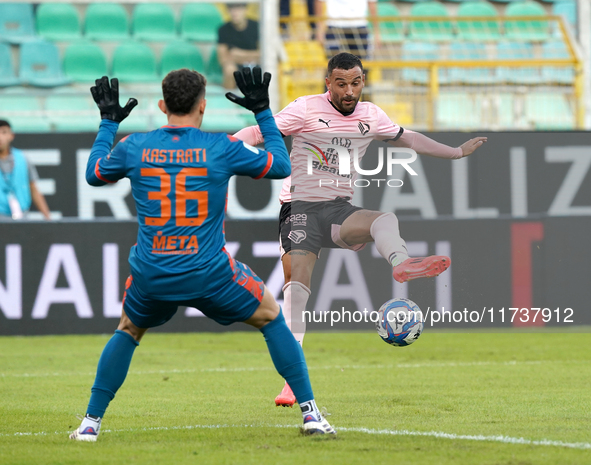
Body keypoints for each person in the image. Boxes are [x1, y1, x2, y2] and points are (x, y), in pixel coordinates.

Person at [69, 67, 335, 441]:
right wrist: (262, 112)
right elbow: (282, 165)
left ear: (162, 105)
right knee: (272, 317)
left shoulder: (134, 146)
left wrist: (108, 123)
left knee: (128, 330)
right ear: (203, 106)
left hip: (152, 273)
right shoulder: (220, 147)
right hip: (209, 273)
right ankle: (311, 415)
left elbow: (95, 174)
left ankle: (89, 424)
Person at [233, 52, 487, 407]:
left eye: (355, 83)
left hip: (338, 210)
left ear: (363, 82)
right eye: (341, 84)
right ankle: (293, 382)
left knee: (385, 219)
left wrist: (456, 153)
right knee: (297, 289)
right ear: (328, 83)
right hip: (300, 208)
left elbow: (410, 139)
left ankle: (400, 262)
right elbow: (260, 131)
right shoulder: (305, 109)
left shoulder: (371, 115)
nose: (349, 91)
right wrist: (222, 149)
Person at [0, 120, 51, 220]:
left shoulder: (22, 158)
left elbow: (33, 189)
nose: (0, 137)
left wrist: (48, 218)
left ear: (11, 136)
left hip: (21, 217)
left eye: (4, 132)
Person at [314, 0, 379, 59]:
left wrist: (377, 32)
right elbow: (319, 3)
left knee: (362, 64)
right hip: (335, 25)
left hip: (359, 25)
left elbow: (372, 4)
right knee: (334, 63)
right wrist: (320, 30)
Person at [217, 3, 259, 90]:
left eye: (238, 8)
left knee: (272, 67)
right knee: (229, 69)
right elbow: (223, 59)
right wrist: (252, 56)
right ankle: (229, 100)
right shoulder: (223, 29)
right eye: (231, 9)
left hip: (257, 64)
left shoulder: (257, 26)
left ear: (245, 9)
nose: (234, 12)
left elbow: (266, 53)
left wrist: (239, 54)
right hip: (236, 66)